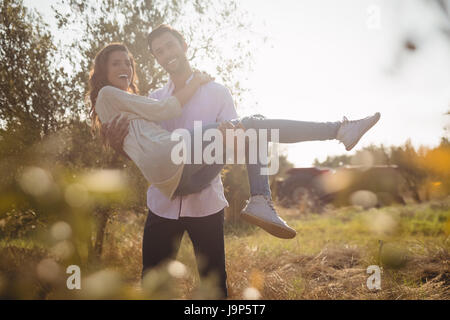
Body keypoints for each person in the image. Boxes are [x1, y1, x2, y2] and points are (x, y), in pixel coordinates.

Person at [93, 28, 380, 298]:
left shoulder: (217, 92)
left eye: (170, 45)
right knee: (153, 285)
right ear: (155, 58)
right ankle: (330, 136)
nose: (166, 53)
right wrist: (119, 146)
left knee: (215, 288)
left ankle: (267, 192)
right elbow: (145, 149)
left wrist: (231, 138)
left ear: (184, 46)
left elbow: (240, 146)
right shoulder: (153, 98)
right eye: (158, 50)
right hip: (164, 202)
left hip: (204, 200)